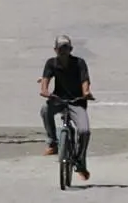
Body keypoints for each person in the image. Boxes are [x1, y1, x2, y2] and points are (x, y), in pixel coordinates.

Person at [39, 34, 92, 180]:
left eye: (66, 48)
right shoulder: (51, 63)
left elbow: (85, 80)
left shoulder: (79, 63)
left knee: (84, 131)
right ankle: (52, 143)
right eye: (61, 48)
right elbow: (45, 79)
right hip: (58, 99)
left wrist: (86, 92)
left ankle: (80, 161)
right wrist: (45, 91)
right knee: (45, 110)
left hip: (77, 101)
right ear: (55, 49)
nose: (63, 51)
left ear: (71, 49)